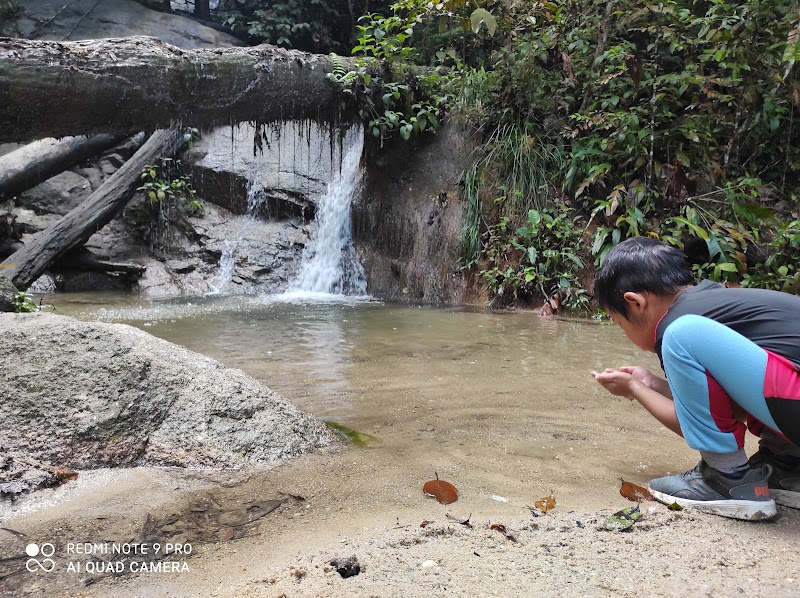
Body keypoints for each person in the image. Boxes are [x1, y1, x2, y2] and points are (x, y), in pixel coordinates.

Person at [591, 237, 800, 520]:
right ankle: (788, 464)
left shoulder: (675, 328)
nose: (623, 331)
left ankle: (726, 477)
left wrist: (635, 389)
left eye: (618, 322)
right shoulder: (715, 303)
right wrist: (652, 384)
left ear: (636, 303)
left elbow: (694, 425)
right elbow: (726, 407)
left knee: (682, 335)